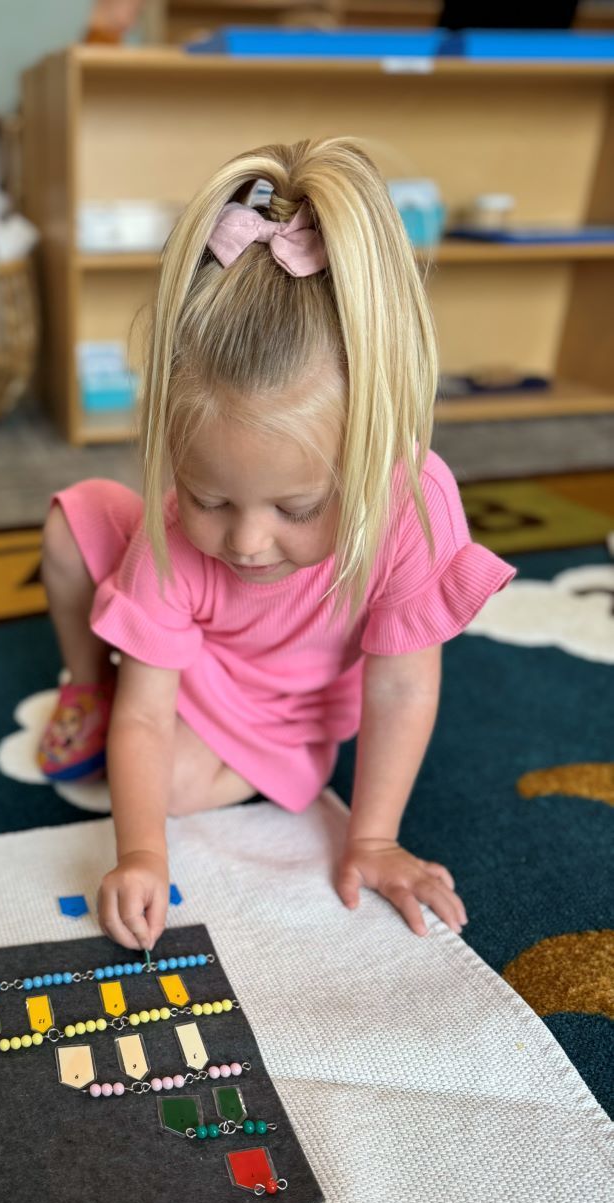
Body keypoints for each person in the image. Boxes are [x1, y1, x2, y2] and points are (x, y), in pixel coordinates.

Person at [37, 138, 515, 950]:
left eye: (299, 506)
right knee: (73, 519)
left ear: (372, 453)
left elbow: (399, 692)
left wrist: (371, 838)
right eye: (209, 496)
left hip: (282, 712)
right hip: (186, 661)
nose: (249, 542)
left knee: (172, 785)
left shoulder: (412, 504)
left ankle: (151, 683)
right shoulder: (174, 536)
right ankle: (90, 682)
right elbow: (148, 715)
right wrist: (141, 854)